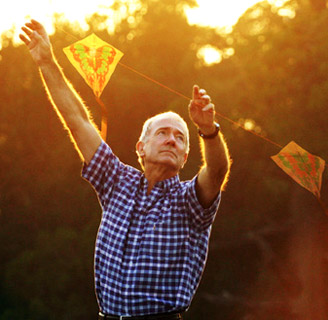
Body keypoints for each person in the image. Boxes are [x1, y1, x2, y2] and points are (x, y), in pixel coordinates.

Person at [20, 19, 231, 319]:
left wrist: (208, 130)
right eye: (162, 133)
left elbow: (218, 170)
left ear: (185, 157)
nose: (171, 139)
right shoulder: (116, 180)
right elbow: (77, 119)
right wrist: (47, 61)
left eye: (180, 137)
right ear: (140, 148)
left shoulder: (190, 202)